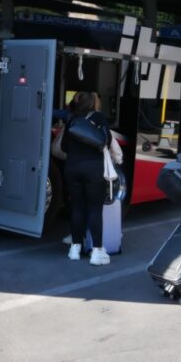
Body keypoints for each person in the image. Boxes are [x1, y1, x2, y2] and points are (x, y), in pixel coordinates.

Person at [62, 91, 112, 266]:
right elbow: (107, 141)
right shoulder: (98, 117)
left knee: (77, 208)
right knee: (94, 209)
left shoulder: (72, 119)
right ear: (93, 103)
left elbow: (64, 146)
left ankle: (74, 249)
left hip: (72, 167)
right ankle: (97, 252)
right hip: (93, 169)